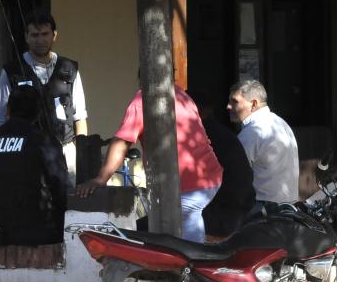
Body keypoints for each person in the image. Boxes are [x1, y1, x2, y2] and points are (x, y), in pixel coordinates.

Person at [76, 85, 223, 244]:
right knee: (179, 226)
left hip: (188, 182)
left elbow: (122, 142)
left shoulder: (143, 100)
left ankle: (193, 258)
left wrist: (100, 179)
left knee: (186, 238)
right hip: (210, 175)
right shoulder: (180, 93)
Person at [0, 9, 87, 186]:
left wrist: (81, 156)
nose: (40, 40)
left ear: (54, 35)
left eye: (45, 34)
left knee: (69, 201)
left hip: (66, 151)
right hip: (25, 151)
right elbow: (0, 121)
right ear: (26, 37)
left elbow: (80, 116)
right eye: (35, 35)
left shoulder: (69, 69)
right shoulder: (12, 71)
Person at [0, 85, 69, 245]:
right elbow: (61, 189)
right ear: (38, 113)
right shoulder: (44, 141)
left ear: (8, 110)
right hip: (37, 233)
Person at [227, 79, 299, 207]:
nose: (228, 106)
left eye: (234, 101)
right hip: (289, 205)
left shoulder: (252, 132)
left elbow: (233, 175)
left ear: (254, 104)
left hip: (264, 209)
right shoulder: (280, 122)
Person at [197, 103, 256, 242]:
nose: (229, 106)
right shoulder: (223, 132)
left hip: (224, 212)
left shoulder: (205, 134)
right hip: (241, 208)